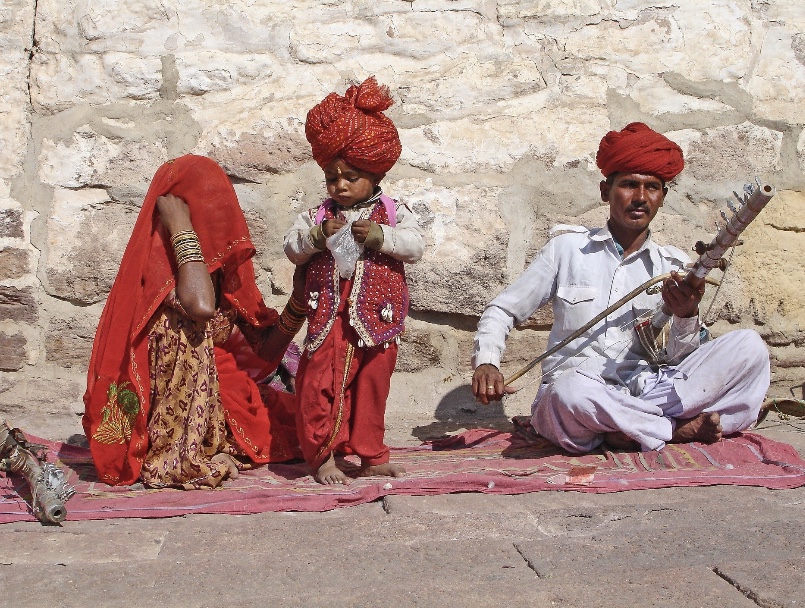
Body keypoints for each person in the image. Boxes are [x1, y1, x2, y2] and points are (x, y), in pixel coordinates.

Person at [472, 122, 770, 454]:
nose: (641, 198)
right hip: (582, 392)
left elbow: (679, 360)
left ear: (663, 197)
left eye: (652, 187)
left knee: (750, 346)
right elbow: (503, 309)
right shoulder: (566, 249)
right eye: (629, 185)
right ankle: (671, 428)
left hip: (646, 391)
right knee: (568, 393)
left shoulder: (671, 264)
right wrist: (488, 361)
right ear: (605, 192)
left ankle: (625, 429)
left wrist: (687, 316)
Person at [83, 154, 307, 488]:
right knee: (185, 333)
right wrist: (181, 228)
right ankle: (193, 450)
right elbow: (200, 307)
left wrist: (299, 302)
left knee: (313, 425)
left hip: (225, 392)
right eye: (208, 208)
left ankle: (221, 440)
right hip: (174, 409)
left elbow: (259, 356)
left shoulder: (218, 273)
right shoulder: (164, 274)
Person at [284, 77, 425, 484]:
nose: (341, 185)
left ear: (375, 173)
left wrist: (382, 237)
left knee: (372, 386)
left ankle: (371, 454)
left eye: (352, 176)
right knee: (319, 385)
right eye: (333, 177)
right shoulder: (316, 216)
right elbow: (292, 249)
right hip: (328, 318)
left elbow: (415, 248)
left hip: (378, 320)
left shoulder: (395, 212)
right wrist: (316, 237)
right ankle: (323, 455)